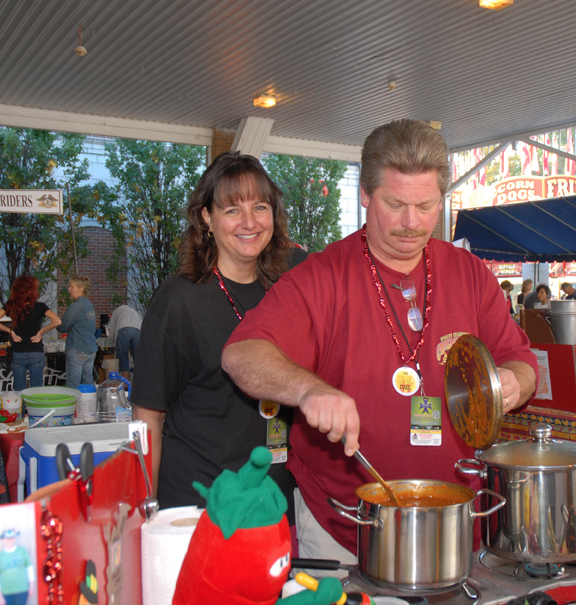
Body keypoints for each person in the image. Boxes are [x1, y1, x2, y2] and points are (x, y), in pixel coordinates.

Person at [221, 119, 538, 564]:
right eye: (395, 204)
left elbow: (521, 361)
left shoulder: (469, 273)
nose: (412, 224)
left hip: (454, 522)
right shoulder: (321, 276)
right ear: (365, 196)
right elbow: (242, 353)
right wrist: (307, 389)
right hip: (346, 527)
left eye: (426, 206)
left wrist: (512, 382)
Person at [131, 152, 308, 521]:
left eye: (260, 206)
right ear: (206, 218)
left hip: (273, 504)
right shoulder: (179, 301)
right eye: (231, 210)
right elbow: (148, 416)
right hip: (199, 506)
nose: (249, 222)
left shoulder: (289, 291)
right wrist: (146, 513)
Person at [0, 277, 61, 392]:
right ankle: (35, 410)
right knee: (36, 389)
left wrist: (10, 331)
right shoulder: (40, 306)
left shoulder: (12, 305)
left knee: (18, 389)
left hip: (18, 351)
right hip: (35, 350)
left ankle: (20, 410)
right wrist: (41, 332)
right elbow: (57, 321)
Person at [57, 276, 97, 389]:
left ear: (81, 289)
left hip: (77, 347)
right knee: (88, 381)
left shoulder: (75, 307)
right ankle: (89, 404)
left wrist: (55, 322)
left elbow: (63, 327)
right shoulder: (89, 305)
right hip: (90, 349)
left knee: (73, 384)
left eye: (72, 286)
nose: (69, 289)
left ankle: (74, 406)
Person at [0, 529, 33, 605]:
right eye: (7, 539)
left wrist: (31, 586)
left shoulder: (22, 551)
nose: (10, 540)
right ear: (3, 540)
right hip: (6, 592)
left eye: (12, 538)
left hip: (22, 590)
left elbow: (29, 569)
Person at [108, 305, 142, 380]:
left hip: (124, 330)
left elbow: (112, 330)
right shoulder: (134, 311)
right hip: (137, 331)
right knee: (138, 358)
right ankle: (139, 383)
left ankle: (126, 385)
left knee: (123, 357)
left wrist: (111, 342)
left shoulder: (116, 312)